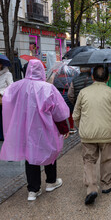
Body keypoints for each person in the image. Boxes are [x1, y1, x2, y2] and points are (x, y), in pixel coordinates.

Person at [0, 60, 70, 201]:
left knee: (30, 155)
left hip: (24, 129)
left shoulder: (17, 87)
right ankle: (51, 181)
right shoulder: (48, 88)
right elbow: (59, 111)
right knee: (50, 152)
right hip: (45, 128)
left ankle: (33, 189)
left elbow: (7, 100)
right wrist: (64, 128)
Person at [72, 65, 111, 205]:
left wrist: (80, 127)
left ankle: (91, 188)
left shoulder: (83, 92)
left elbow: (75, 114)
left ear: (92, 77)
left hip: (88, 133)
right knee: (107, 159)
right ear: (108, 78)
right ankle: (107, 184)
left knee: (89, 160)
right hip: (107, 133)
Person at [0, 62, 13, 141]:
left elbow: (11, 86)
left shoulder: (8, 74)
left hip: (2, 98)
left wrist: (1, 92)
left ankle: (2, 134)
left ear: (1, 64)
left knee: (2, 117)